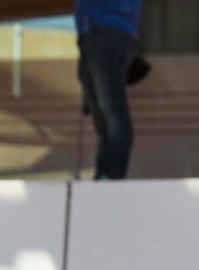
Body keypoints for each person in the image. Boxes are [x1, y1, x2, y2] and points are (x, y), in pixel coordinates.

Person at [75, 0, 143, 180]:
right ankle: (104, 174)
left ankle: (112, 175)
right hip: (93, 33)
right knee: (103, 116)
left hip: (109, 31)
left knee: (112, 110)